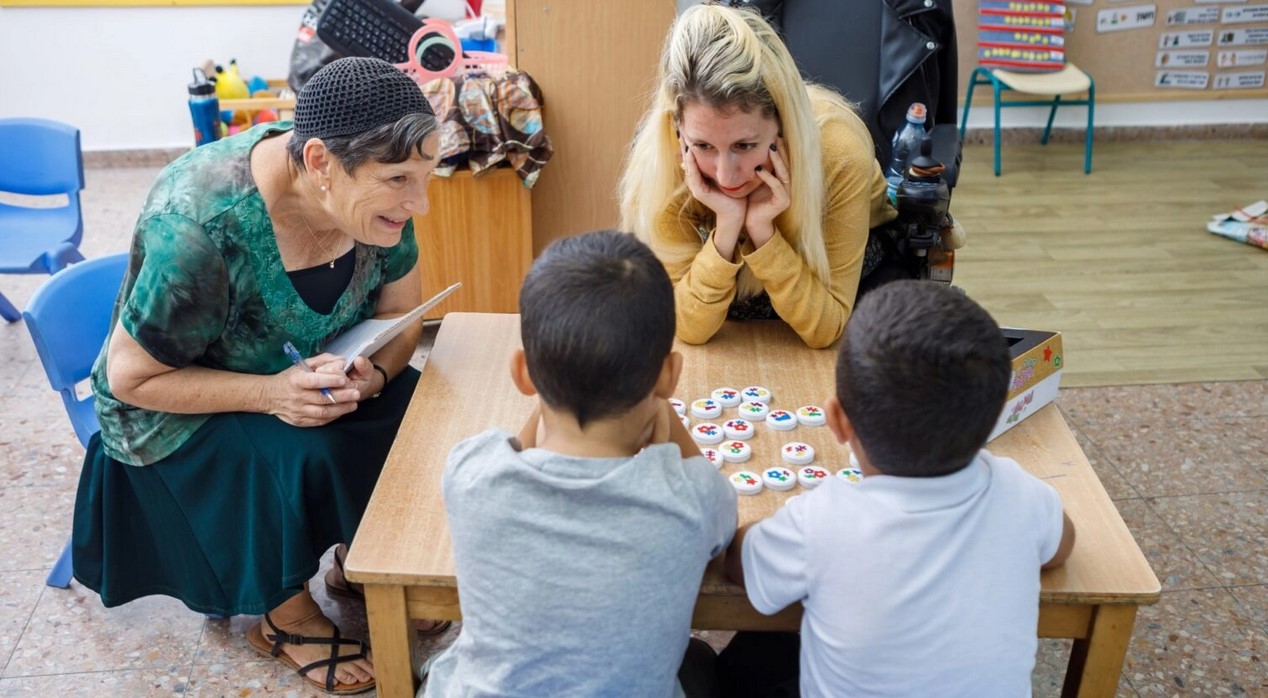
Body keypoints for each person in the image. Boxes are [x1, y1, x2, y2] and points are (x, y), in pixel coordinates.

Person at [73, 57, 447, 695]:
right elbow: (129, 379)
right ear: (322, 163)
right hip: (178, 411)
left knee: (417, 404)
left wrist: (374, 376)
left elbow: (397, 314)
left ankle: (363, 561)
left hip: (305, 370)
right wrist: (273, 394)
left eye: (426, 175)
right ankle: (282, 616)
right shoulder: (199, 226)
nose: (419, 202)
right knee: (299, 445)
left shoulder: (377, 206)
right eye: (398, 180)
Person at [718, 280, 1077, 697]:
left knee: (724, 668)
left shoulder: (823, 518)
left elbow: (739, 565)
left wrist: (755, 527)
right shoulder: (1020, 493)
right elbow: (1062, 546)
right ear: (996, 412)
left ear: (837, 420)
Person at [417, 230, 737, 697]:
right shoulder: (691, 496)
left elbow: (515, 450)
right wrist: (664, 425)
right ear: (669, 375)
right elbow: (722, 528)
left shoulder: (473, 473)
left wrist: (552, 387)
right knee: (701, 663)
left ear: (523, 373)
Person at [619, 3, 907, 349]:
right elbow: (690, 327)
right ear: (678, 129)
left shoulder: (840, 152)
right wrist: (727, 227)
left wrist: (763, 233)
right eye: (704, 146)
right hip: (735, 280)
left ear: (782, 126)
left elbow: (824, 328)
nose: (725, 175)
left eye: (744, 145)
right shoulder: (661, 160)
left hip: (844, 267)